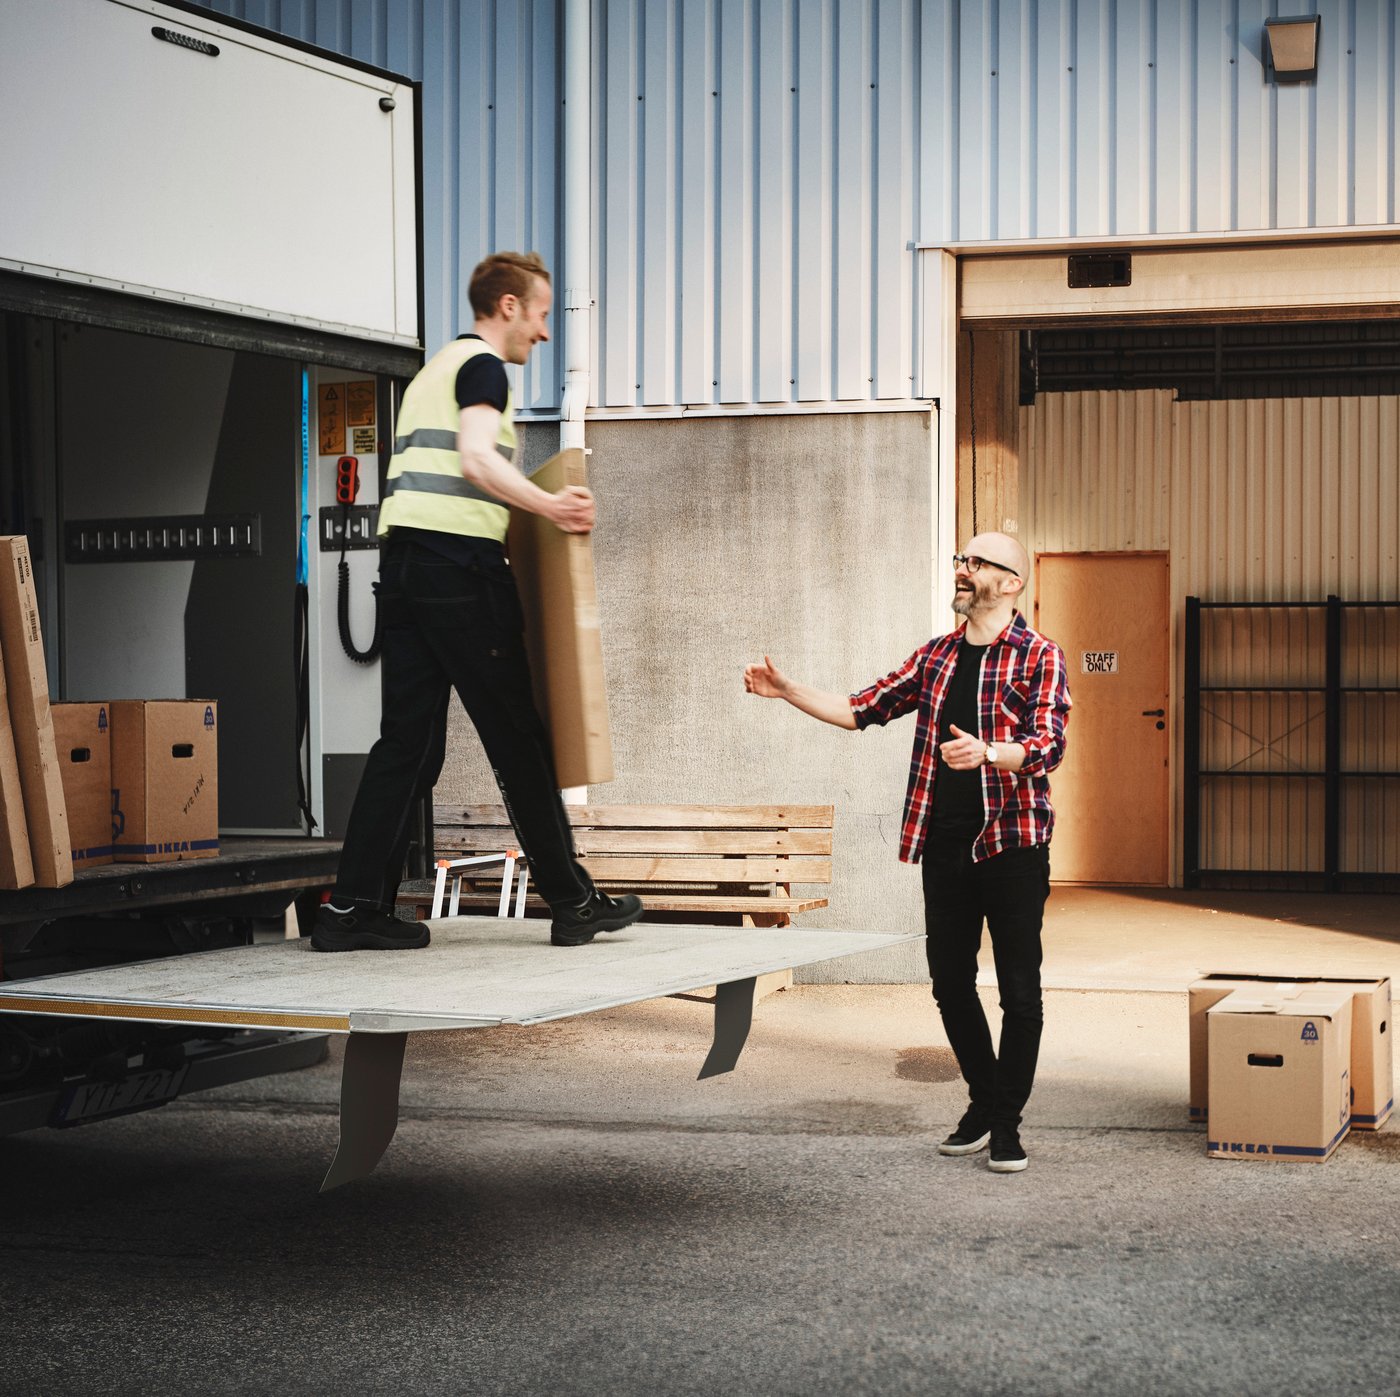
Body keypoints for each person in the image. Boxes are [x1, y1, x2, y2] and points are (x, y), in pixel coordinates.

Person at [313, 251, 642, 952]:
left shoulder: (432, 372)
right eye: (543, 314)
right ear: (508, 307)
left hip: (402, 568)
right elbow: (476, 458)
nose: (545, 333)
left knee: (408, 743)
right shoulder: (483, 366)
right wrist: (551, 506)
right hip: (458, 571)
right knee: (516, 736)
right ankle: (574, 900)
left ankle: (350, 908)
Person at [743, 533, 1070, 1172]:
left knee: (1020, 993)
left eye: (976, 564)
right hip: (944, 846)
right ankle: (983, 1100)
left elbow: (1049, 744)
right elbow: (862, 708)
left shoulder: (1038, 656)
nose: (962, 570)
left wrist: (990, 753)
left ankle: (1005, 1124)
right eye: (959, 561)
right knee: (949, 983)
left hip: (1012, 846)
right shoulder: (937, 656)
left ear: (1010, 583)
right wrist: (789, 691)